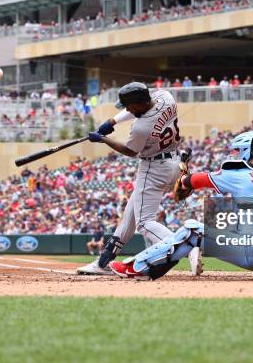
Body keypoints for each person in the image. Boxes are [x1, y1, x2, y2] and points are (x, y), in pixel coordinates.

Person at [109, 131, 253, 280]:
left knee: (192, 230)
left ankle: (137, 267)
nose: (236, 154)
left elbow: (196, 180)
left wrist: (184, 180)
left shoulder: (239, 172)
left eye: (238, 150)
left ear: (247, 151)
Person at [76, 82, 202, 276]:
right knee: (129, 218)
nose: (127, 109)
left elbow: (130, 151)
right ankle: (103, 262)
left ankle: (186, 246)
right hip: (175, 164)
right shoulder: (165, 97)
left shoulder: (141, 127)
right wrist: (112, 122)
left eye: (129, 106)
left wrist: (103, 139)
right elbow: (138, 110)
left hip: (153, 169)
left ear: (140, 102)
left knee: (144, 223)